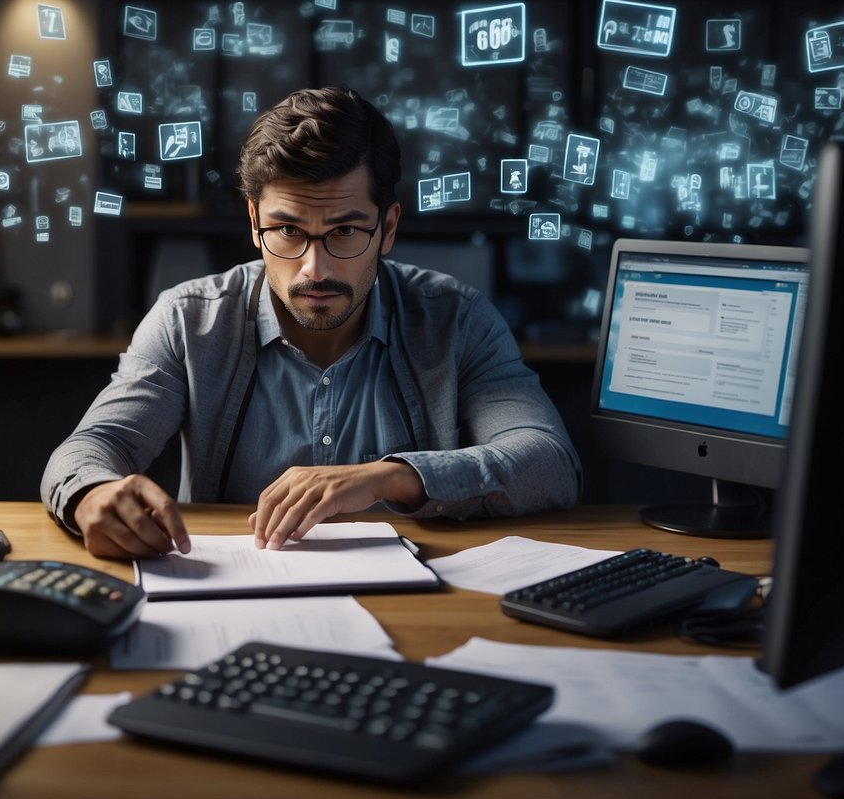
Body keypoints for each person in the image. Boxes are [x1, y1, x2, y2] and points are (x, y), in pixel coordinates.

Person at [42, 87, 582, 559]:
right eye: (288, 231)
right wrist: (93, 495)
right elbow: (92, 447)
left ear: (388, 226)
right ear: (254, 222)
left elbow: (550, 461)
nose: (314, 269)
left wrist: (392, 476)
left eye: (346, 232)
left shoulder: (458, 320)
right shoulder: (187, 319)